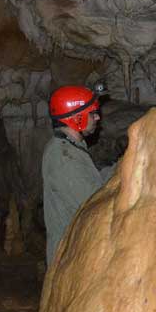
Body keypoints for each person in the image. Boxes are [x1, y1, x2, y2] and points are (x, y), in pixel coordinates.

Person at [42, 85, 104, 265]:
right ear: (77, 118)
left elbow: (93, 181)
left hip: (76, 251)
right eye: (92, 113)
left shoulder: (70, 149)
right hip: (70, 259)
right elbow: (94, 204)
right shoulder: (63, 157)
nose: (98, 117)